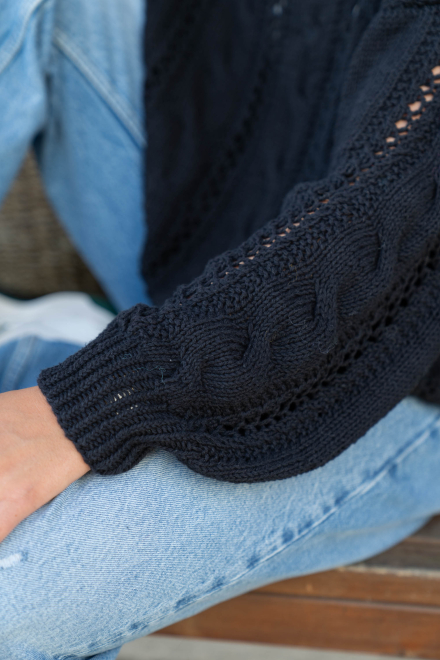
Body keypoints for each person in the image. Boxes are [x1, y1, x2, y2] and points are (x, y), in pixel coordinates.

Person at [1, 0, 440, 658]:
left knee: (14, 597)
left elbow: (383, 218)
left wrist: (81, 410)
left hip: (395, 356)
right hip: (212, 249)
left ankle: (44, 364)